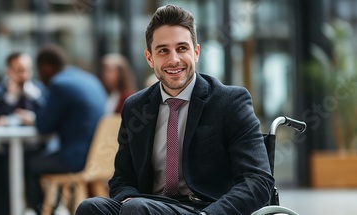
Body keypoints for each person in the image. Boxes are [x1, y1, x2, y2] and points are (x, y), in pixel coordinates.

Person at [76, 5, 274, 215]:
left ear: (196, 52)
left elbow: (258, 181)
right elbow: (122, 178)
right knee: (90, 208)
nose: (174, 60)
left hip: (206, 208)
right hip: (148, 205)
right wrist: (127, 198)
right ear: (149, 58)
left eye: (182, 48)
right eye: (163, 50)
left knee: (137, 209)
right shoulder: (135, 107)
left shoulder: (230, 102)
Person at [26, 45, 107, 214]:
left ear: (45, 67)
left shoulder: (59, 84)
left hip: (77, 159)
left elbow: (43, 127)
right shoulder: (90, 79)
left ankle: (42, 211)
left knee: (29, 164)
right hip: (101, 157)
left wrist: (32, 117)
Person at [0, 52, 43, 126]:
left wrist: (32, 117)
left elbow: (46, 113)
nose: (24, 75)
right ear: (8, 71)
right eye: (20, 70)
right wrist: (11, 97)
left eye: (28, 70)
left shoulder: (38, 88)